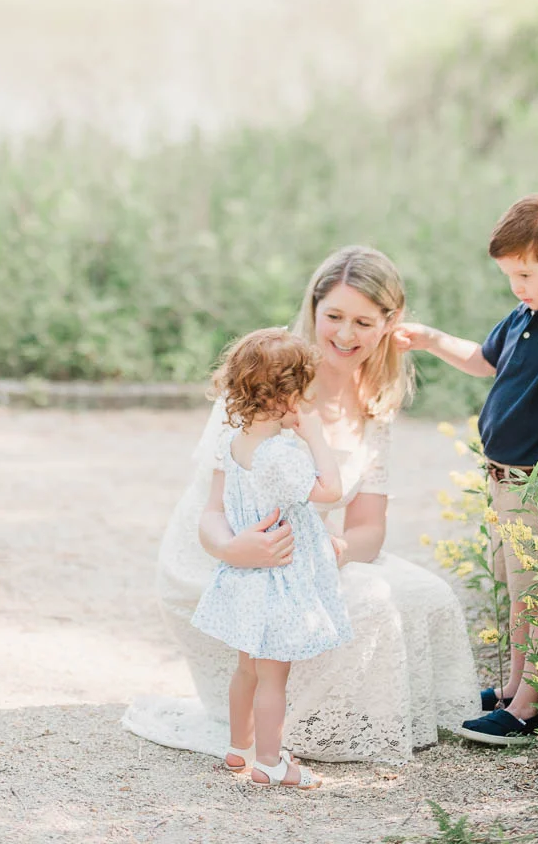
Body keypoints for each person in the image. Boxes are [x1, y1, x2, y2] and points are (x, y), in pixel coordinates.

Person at [122, 245, 480, 765]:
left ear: (388, 324)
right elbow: (211, 506)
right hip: (225, 550)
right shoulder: (267, 379)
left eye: (363, 321)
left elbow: (369, 530)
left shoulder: (375, 404)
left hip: (305, 547)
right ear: (313, 309)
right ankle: (287, 735)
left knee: (428, 593)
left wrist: (334, 550)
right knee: (373, 602)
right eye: (333, 315)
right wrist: (234, 548)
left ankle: (394, 716)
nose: (345, 334)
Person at [397, 193, 538, 747]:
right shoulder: (524, 317)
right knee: (519, 591)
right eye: (509, 275)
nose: (517, 286)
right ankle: (513, 686)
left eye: (525, 273)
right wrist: (429, 339)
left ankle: (529, 709)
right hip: (503, 481)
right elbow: (482, 361)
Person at [192, 327, 350, 790]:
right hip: (277, 581)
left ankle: (239, 749)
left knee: (246, 669)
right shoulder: (281, 452)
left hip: (246, 575)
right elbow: (331, 491)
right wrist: (316, 437)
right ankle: (270, 762)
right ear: (287, 397)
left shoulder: (234, 443)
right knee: (273, 679)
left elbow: (219, 505)